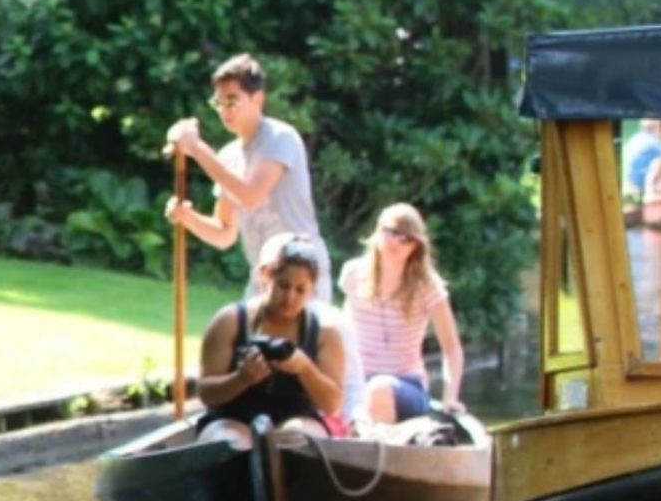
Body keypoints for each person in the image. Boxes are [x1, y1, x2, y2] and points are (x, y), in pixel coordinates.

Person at [164, 54, 332, 303]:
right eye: (219, 102)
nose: (224, 110)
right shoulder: (228, 156)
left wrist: (197, 148)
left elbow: (251, 195)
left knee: (293, 343)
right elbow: (224, 233)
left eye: (232, 101)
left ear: (257, 99)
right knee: (241, 341)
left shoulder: (279, 138)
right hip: (263, 277)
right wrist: (187, 218)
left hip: (302, 274)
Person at [193, 234, 347, 448]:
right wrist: (241, 378)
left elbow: (332, 405)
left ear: (311, 290)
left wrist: (305, 368)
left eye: (300, 290)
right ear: (266, 276)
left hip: (297, 417)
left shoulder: (325, 333)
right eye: (283, 286)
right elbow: (205, 392)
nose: (290, 297)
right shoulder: (229, 321)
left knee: (300, 441)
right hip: (231, 417)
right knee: (229, 444)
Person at [338, 204, 467, 423]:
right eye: (392, 232)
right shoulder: (352, 274)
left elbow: (452, 348)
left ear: (415, 247)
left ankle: (377, 444)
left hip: (406, 384)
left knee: (379, 388)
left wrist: (450, 397)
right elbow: (343, 333)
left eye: (407, 238)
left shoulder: (427, 286)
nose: (397, 242)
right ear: (378, 232)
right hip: (357, 382)